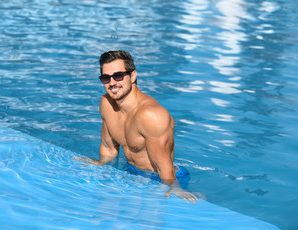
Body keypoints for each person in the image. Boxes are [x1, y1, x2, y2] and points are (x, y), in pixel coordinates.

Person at [76, 50, 203, 203]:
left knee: (147, 224)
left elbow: (165, 167)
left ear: (133, 76)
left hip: (163, 178)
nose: (112, 83)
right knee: (103, 209)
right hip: (131, 171)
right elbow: (109, 148)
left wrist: (175, 188)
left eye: (118, 76)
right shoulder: (106, 104)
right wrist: (101, 166)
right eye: (106, 78)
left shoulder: (151, 115)